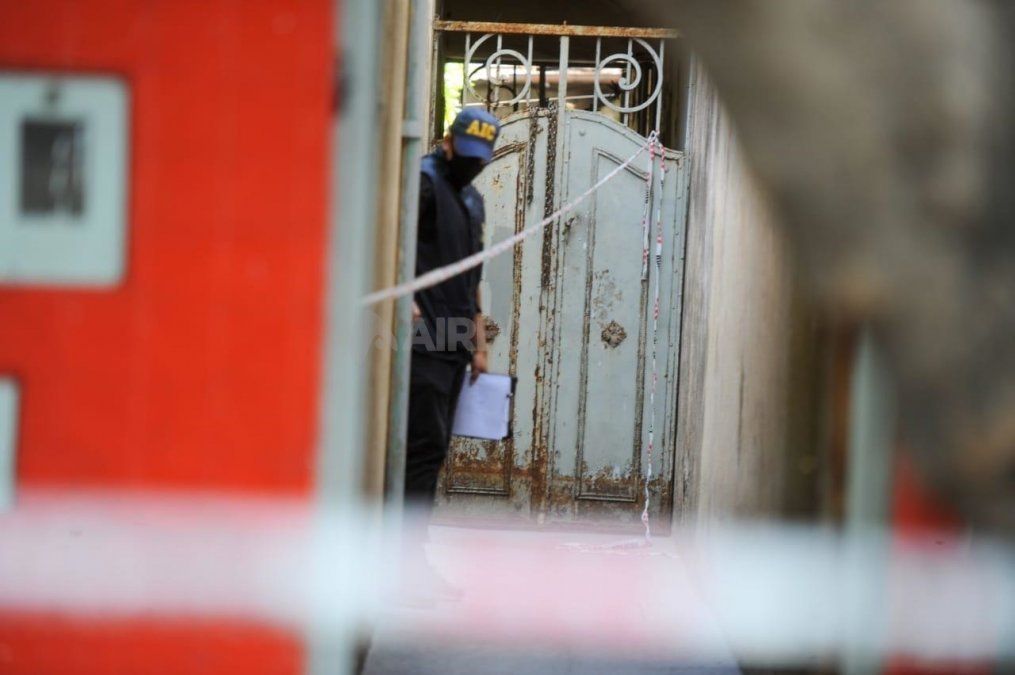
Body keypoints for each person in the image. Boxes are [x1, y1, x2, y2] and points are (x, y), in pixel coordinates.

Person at [404, 109, 500, 526]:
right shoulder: (423, 182)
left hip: (455, 341)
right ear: (447, 143)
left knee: (435, 448)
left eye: (481, 157)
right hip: (421, 337)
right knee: (421, 449)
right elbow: (393, 242)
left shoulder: (472, 199)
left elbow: (472, 275)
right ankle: (403, 557)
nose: (472, 164)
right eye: (465, 153)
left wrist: (478, 345)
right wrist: (406, 300)